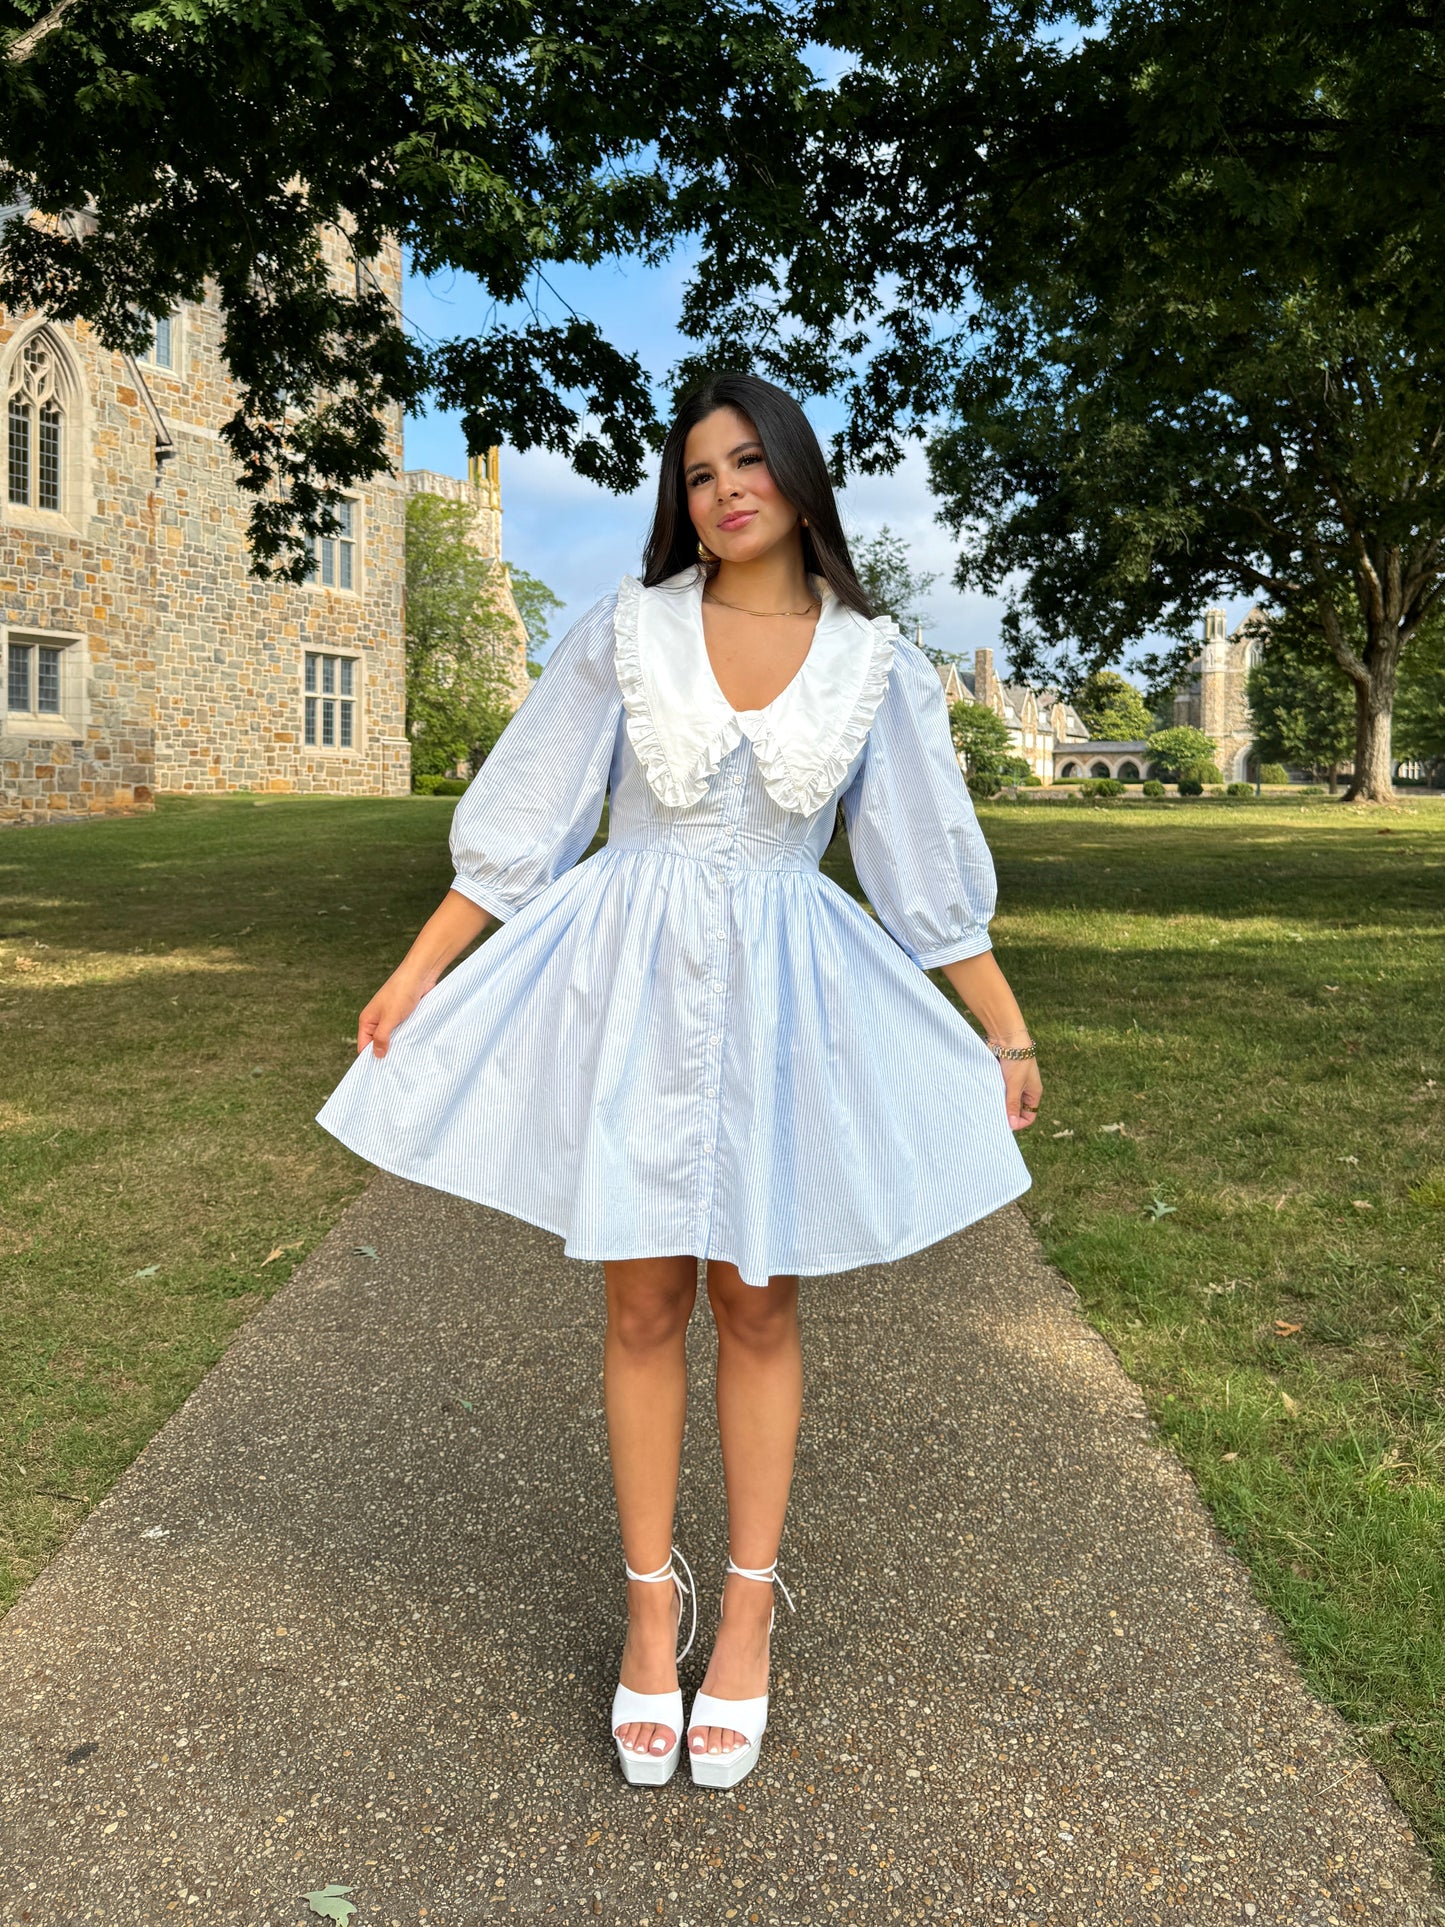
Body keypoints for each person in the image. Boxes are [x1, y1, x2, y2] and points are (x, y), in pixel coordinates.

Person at [314, 372, 1042, 1791]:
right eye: (699, 472)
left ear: (795, 476)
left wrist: (1002, 1032)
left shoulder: (873, 662)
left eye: (747, 461)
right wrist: (419, 970)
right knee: (643, 1300)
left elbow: (920, 874)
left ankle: (750, 1615)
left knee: (756, 1297)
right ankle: (655, 1608)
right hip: (628, 982)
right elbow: (526, 820)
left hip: (785, 991)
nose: (724, 489)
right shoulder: (626, 631)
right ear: (682, 499)